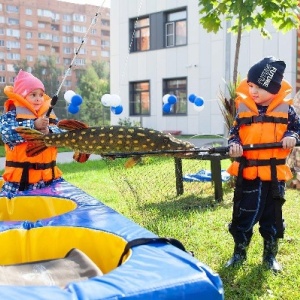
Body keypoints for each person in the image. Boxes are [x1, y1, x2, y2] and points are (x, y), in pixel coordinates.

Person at [225, 56, 300, 272]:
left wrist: (292, 136)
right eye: (250, 85)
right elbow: (234, 133)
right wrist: (235, 145)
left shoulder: (288, 111)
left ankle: (270, 257)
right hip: (248, 175)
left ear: (274, 89)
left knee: (273, 218)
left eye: (259, 86)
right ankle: (239, 253)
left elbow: (297, 128)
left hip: (274, 176)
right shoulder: (244, 109)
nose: (253, 91)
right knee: (242, 215)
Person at [0, 69, 63, 194]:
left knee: (50, 212)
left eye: (41, 95)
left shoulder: (48, 116)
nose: (38, 99)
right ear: (22, 97)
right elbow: (6, 133)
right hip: (20, 184)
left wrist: (49, 131)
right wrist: (33, 125)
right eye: (33, 95)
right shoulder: (11, 115)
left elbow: (61, 133)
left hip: (48, 181)